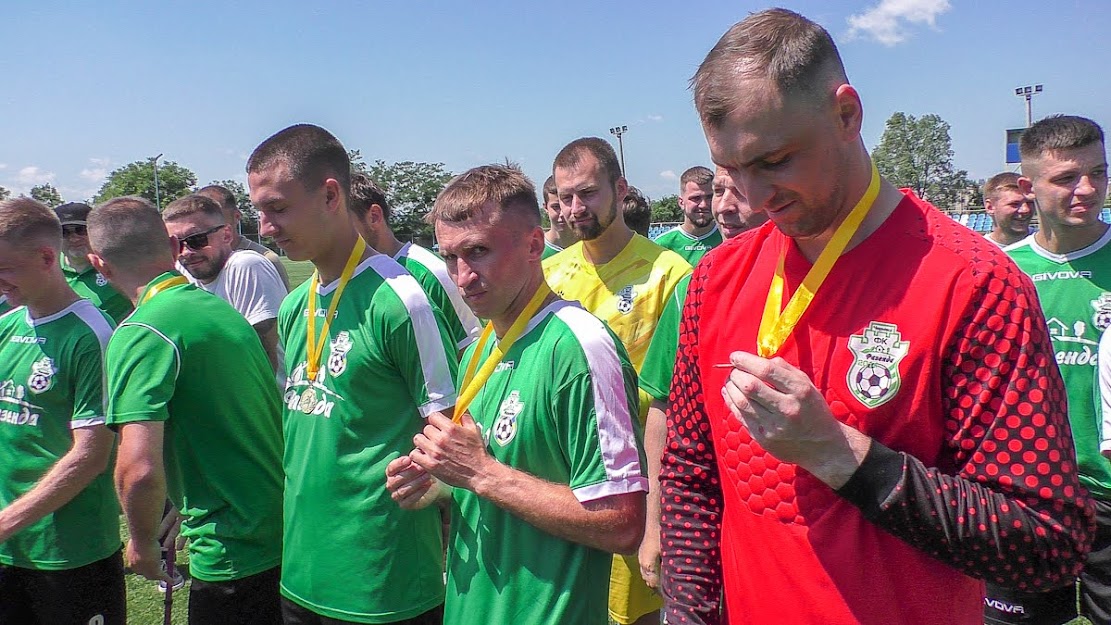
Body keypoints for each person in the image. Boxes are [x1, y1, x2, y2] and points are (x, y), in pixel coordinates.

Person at [660, 9, 1093, 625]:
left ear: (847, 114)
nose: (753, 198)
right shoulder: (714, 279)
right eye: (732, 169)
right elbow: (690, 470)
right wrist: (691, 612)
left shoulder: (975, 284)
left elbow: (1045, 543)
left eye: (775, 160)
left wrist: (842, 457)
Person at [384, 164, 647, 624]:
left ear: (532, 245)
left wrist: (482, 473)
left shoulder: (580, 346)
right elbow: (496, 477)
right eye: (449, 257)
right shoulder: (481, 347)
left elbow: (623, 522)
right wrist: (440, 482)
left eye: (479, 252)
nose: (462, 277)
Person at [247, 123, 459, 625]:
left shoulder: (401, 298)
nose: (263, 226)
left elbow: (451, 428)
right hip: (301, 570)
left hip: (382, 580)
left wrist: (437, 486)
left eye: (277, 208)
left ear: (329, 195)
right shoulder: (298, 304)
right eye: (258, 210)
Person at [88, 195, 285, 625]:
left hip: (232, 549)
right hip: (283, 533)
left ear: (99, 265)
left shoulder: (143, 329)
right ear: (174, 249)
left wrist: (140, 544)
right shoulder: (220, 311)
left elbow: (137, 468)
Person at [544, 136, 691, 625]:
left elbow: (676, 405)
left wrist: (659, 519)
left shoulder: (670, 273)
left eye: (586, 193)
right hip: (563, 486)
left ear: (620, 189)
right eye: (565, 197)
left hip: (635, 486)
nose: (573, 208)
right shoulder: (548, 273)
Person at [997, 115, 1111, 624]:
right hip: (1028, 491)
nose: (1086, 189)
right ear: (1028, 187)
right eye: (1066, 178)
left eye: (1099, 173)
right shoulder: (999, 270)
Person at [636, 167, 763, 591]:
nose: (724, 206)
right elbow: (662, 408)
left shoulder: (824, 288)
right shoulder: (691, 288)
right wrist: (655, 524)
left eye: (738, 191)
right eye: (719, 191)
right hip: (705, 523)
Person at [0, 198, 124, 625]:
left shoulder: (93, 335)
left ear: (46, 257)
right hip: (8, 548)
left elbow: (90, 457)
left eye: (5, 268)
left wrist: (7, 520)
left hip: (70, 553)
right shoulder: (7, 326)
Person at [348, 172, 481, 351]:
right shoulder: (349, 277)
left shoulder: (431, 273)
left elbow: (469, 349)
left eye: (343, 224)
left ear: (374, 216)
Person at [162, 194, 288, 382]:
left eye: (197, 240)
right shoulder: (181, 271)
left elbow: (263, 355)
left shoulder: (246, 265)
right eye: (176, 245)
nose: (187, 252)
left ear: (226, 235)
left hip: (264, 400)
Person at [197, 184, 292, 290]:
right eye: (200, 219)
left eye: (216, 216)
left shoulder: (266, 260)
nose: (207, 226)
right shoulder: (194, 261)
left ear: (236, 216)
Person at [54, 202, 133, 323]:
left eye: (81, 230)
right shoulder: (47, 269)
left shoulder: (118, 263)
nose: (74, 238)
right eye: (64, 232)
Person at [652, 166, 723, 264]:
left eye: (709, 197)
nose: (703, 205)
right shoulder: (662, 245)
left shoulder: (727, 238)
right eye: (696, 198)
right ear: (681, 203)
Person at [983, 172, 1033, 247]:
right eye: (1014, 204)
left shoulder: (1048, 246)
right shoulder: (979, 251)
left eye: (1030, 203)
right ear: (990, 207)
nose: (1026, 209)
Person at [541, 175, 577, 259]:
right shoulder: (535, 252)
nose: (562, 213)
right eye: (556, 207)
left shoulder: (591, 248)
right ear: (545, 207)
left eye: (567, 205)